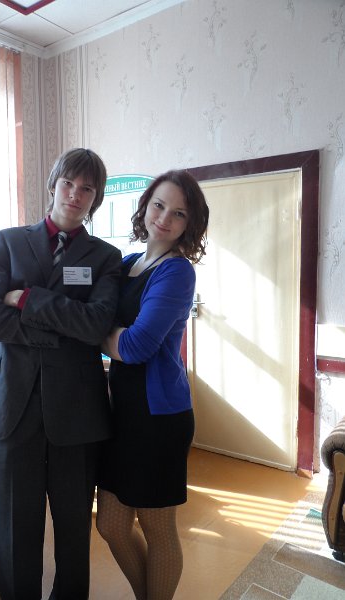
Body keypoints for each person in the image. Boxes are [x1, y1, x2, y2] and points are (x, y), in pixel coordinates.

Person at [0, 148, 122, 600]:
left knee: (73, 533)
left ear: (96, 197)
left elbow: (96, 324)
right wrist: (63, 330)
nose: (75, 194)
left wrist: (27, 298)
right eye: (68, 183)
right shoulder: (9, 242)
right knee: (12, 530)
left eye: (87, 188)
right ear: (53, 184)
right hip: (7, 407)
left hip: (76, 412)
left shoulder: (106, 257)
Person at [96, 170, 209, 600]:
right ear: (145, 206)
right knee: (110, 524)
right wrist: (110, 337)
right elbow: (110, 331)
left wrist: (98, 334)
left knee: (157, 528)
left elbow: (138, 346)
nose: (164, 218)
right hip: (120, 414)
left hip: (159, 418)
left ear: (189, 224)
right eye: (159, 205)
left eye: (178, 213)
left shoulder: (177, 272)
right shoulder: (128, 264)